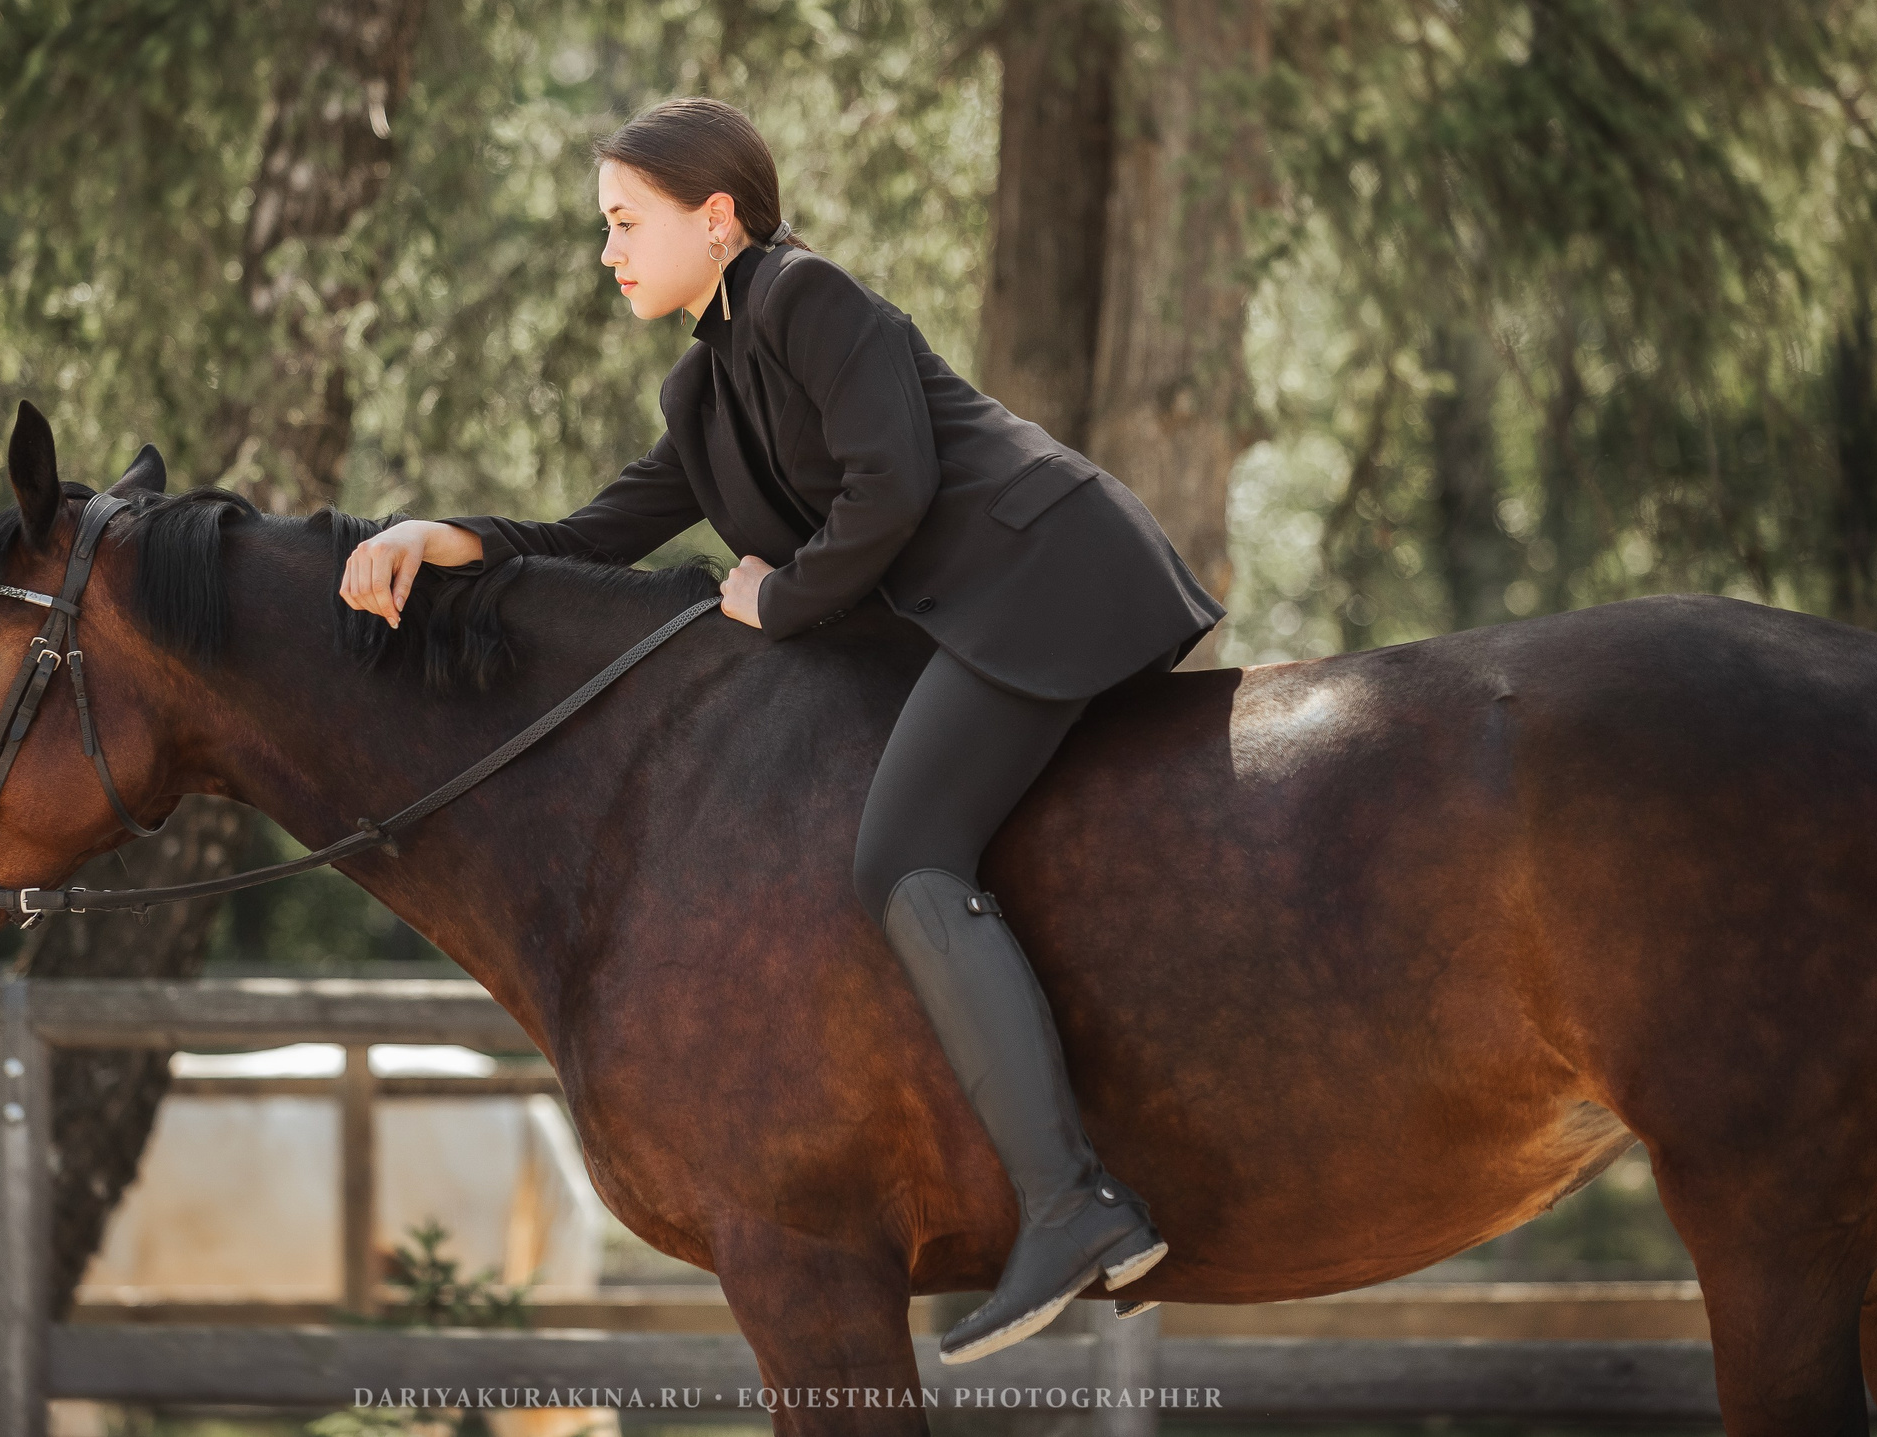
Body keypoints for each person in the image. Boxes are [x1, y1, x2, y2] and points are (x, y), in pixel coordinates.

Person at [337, 98, 1225, 1362]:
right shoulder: (703, 385)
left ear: (718, 217)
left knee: (900, 850)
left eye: (624, 220)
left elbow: (892, 484)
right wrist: (444, 538)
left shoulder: (807, 296)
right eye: (604, 226)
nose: (607, 252)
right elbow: (593, 536)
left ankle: (1073, 1199)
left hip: (1046, 574)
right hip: (977, 614)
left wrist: (779, 598)